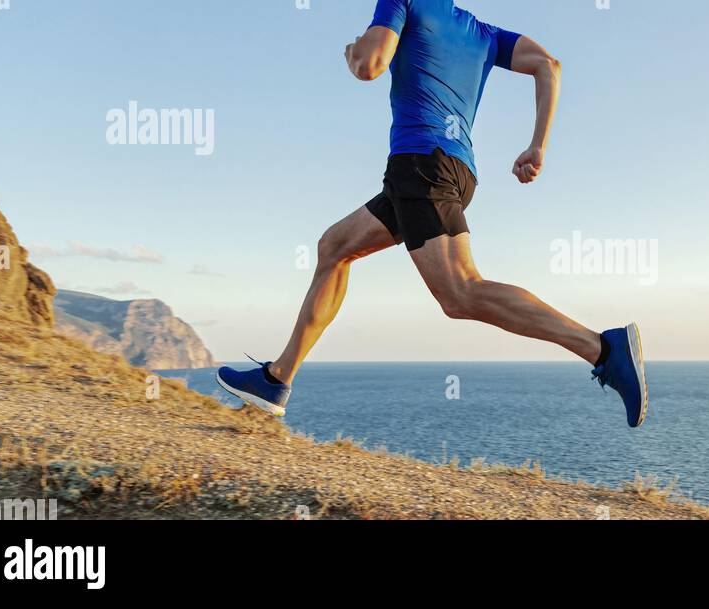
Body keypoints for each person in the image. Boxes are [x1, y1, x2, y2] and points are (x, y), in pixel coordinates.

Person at [216, 0, 647, 427]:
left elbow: (370, 65)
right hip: (453, 171)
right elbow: (548, 65)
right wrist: (538, 146)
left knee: (460, 292)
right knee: (335, 246)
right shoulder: (482, 33)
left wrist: (353, 50)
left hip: (421, 167)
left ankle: (603, 350)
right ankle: (276, 380)